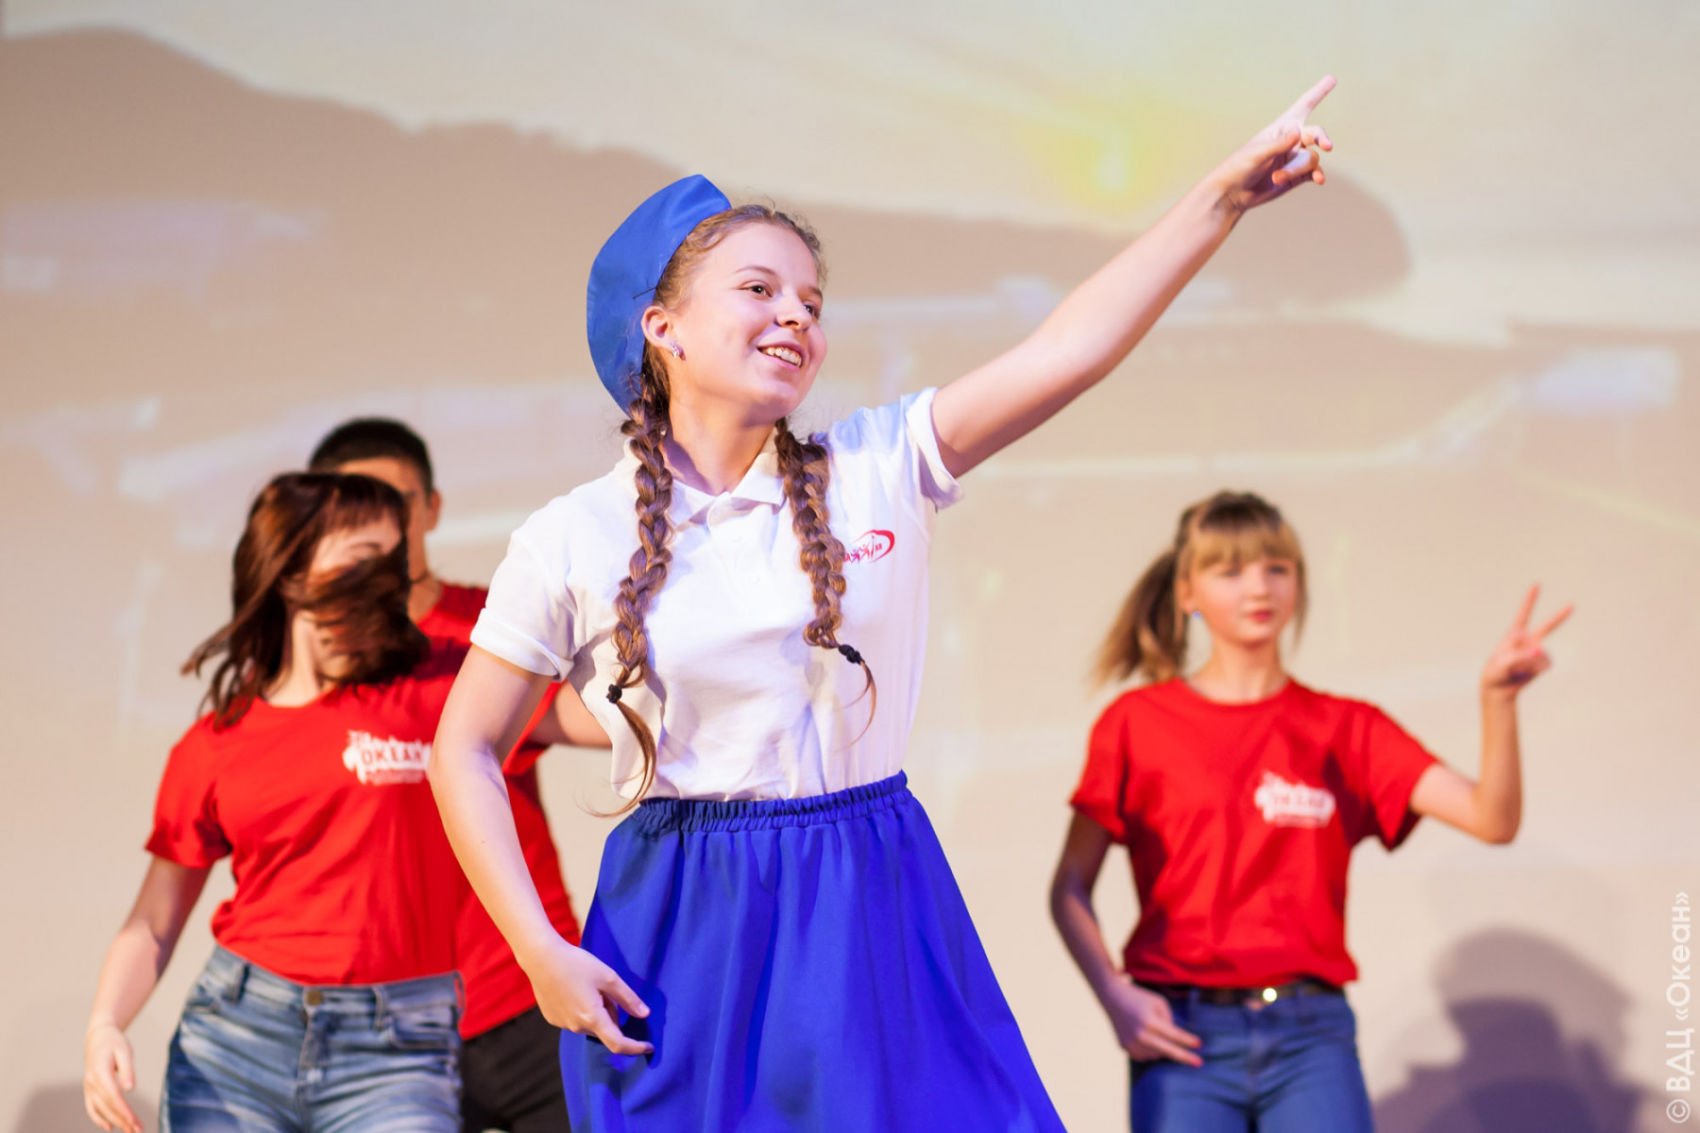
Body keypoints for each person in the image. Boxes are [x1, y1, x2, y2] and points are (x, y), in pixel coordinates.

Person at [429, 78, 1342, 1131]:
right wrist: (538, 949)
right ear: (661, 325)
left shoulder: (872, 466)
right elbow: (464, 748)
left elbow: (1068, 350)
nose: (795, 315)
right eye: (760, 289)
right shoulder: (572, 534)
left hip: (864, 888)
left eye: (811, 302)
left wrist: (1218, 201)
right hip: (685, 909)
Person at [80, 472, 599, 1133]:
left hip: (398, 1052)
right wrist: (105, 1024)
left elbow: (600, 721)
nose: (388, 580)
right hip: (238, 1039)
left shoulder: (439, 685)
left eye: (392, 561)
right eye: (362, 560)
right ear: (291, 572)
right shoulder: (214, 744)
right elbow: (154, 920)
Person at [1049, 490, 1571, 1131]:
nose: (1258, 588)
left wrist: (1497, 702)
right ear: (1187, 592)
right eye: (1230, 570)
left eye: (1277, 567)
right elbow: (1069, 885)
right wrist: (1113, 994)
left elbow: (1492, 820)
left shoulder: (1345, 728)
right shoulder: (1137, 723)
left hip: (1310, 1038)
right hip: (1181, 1034)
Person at [310, 418, 606, 1133]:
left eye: (395, 502)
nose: (378, 529)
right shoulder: (302, 667)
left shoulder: (493, 630)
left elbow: (603, 721)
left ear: (431, 508)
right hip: (390, 1026)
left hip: (525, 990)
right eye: (354, 510)